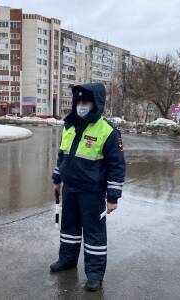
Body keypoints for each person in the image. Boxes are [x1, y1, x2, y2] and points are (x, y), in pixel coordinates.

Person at [50, 83, 126, 292]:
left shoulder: (108, 131)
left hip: (92, 193)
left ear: (96, 104)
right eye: (79, 102)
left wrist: (113, 197)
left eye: (86, 102)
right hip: (70, 189)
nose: (81, 106)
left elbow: (117, 166)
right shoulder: (70, 126)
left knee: (94, 235)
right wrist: (57, 179)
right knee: (69, 230)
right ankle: (67, 260)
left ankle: (94, 275)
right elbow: (62, 156)